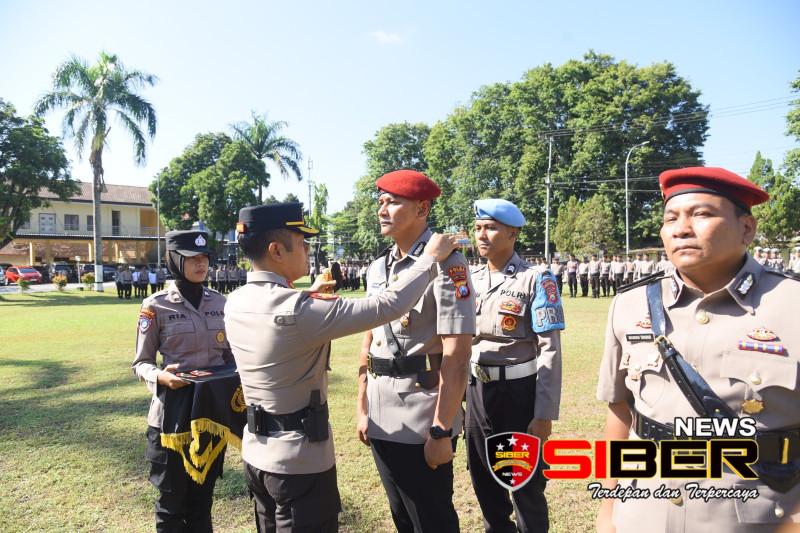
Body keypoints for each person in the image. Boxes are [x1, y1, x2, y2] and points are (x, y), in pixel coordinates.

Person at [224, 202, 459, 532]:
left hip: (257, 454)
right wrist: (429, 258)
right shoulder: (299, 310)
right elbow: (388, 305)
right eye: (302, 243)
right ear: (276, 250)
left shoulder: (235, 301)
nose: (308, 251)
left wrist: (307, 295)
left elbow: (279, 315)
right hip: (298, 463)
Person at [595, 167, 800, 533]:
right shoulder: (630, 305)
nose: (681, 229)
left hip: (755, 519)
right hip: (645, 514)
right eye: (670, 218)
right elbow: (621, 411)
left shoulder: (791, 304)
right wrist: (609, 508)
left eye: (701, 214)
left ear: (747, 229)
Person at [357, 170, 475, 533]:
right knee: (402, 516)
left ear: (422, 209)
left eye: (393, 202)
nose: (382, 210)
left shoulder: (449, 264)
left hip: (422, 416)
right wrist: (362, 407)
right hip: (381, 412)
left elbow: (457, 356)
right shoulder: (378, 267)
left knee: (432, 520)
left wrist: (441, 430)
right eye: (380, 202)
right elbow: (369, 338)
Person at [468, 199, 564, 532]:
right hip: (476, 392)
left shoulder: (535, 279)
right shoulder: (470, 279)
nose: (482, 235)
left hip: (517, 394)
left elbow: (549, 349)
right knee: (484, 482)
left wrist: (543, 413)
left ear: (512, 233)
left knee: (525, 487)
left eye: (491, 228)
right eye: (478, 228)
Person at [132, 230, 232, 532]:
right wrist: (160, 376)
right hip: (171, 418)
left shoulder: (221, 303)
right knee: (171, 505)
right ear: (174, 260)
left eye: (204, 257)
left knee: (203, 501)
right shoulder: (156, 305)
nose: (201, 264)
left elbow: (232, 357)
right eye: (192, 258)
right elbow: (141, 363)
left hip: (210, 415)